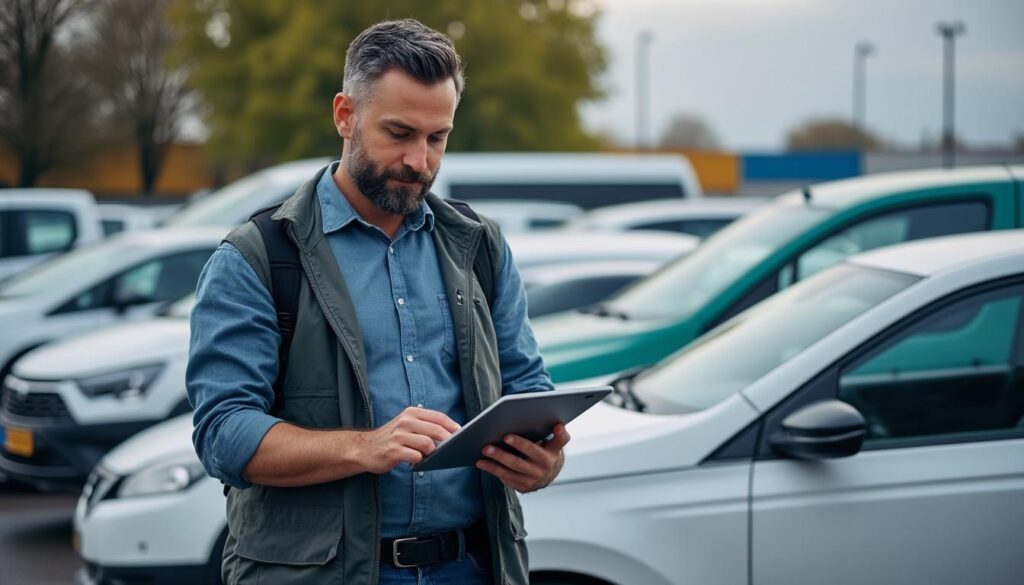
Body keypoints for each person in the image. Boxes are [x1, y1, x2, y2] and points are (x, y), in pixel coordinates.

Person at [187, 19, 567, 585]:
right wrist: (366, 447)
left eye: (437, 138)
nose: (420, 160)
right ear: (345, 115)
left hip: (473, 567)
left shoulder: (480, 246)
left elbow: (526, 388)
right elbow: (224, 434)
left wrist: (544, 460)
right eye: (400, 133)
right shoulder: (258, 257)